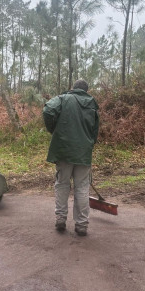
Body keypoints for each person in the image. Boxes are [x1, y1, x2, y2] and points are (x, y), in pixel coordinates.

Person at [43, 79, 100, 237]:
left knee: (62, 184)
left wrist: (53, 129)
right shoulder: (92, 104)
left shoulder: (63, 98)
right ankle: (82, 224)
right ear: (86, 91)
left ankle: (61, 218)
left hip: (63, 150)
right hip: (83, 152)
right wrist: (88, 144)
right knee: (82, 187)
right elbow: (95, 131)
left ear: (73, 88)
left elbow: (48, 110)